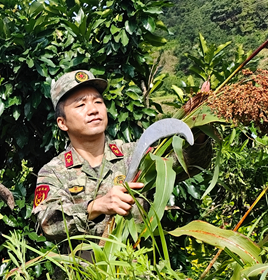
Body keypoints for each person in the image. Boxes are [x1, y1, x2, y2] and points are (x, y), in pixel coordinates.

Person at [33, 69, 211, 241]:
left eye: (98, 102)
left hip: (135, 268)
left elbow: (188, 163)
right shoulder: (54, 172)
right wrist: (96, 206)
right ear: (62, 123)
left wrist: (198, 126)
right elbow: (48, 222)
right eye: (81, 104)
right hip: (82, 271)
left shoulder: (136, 154)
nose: (93, 109)